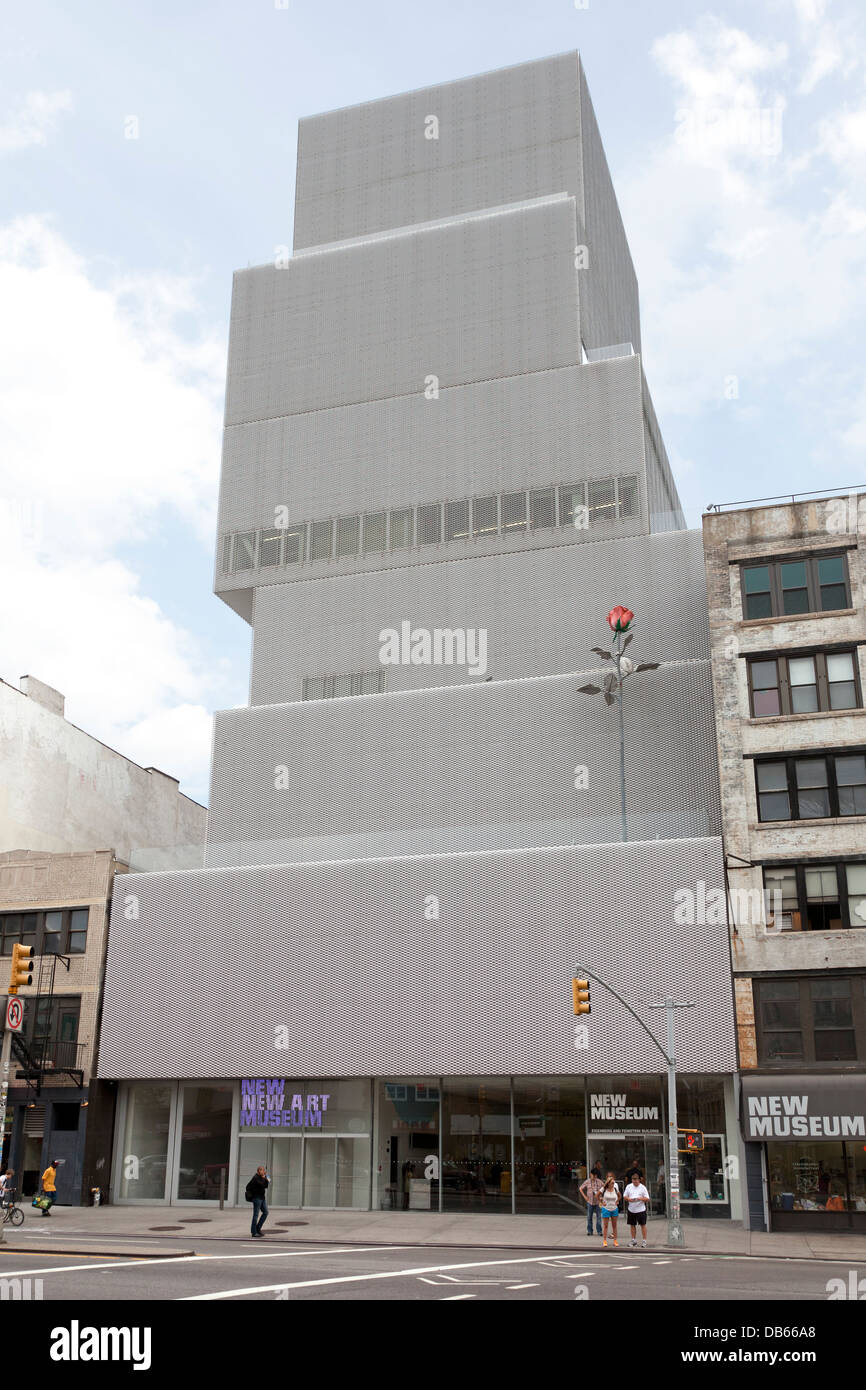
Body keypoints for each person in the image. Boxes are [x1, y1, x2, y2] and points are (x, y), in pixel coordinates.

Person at [624, 1167, 651, 1248]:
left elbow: (647, 1198)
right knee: (632, 1225)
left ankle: (644, 1241)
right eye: (633, 1179)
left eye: (636, 1179)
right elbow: (625, 1196)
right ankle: (633, 1240)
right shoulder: (629, 1186)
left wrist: (640, 1198)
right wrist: (629, 1199)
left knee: (643, 1225)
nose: (634, 1181)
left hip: (640, 1209)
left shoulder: (643, 1187)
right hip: (631, 1209)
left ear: (639, 1179)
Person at [579, 1167, 604, 1236]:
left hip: (598, 1202)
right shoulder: (587, 1181)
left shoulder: (599, 1181)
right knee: (589, 1217)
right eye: (593, 1175)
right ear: (590, 1174)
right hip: (590, 1202)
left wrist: (601, 1197)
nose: (594, 1176)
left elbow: (604, 1187)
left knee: (599, 1217)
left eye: (596, 1175)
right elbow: (580, 1188)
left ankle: (599, 1231)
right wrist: (585, 1197)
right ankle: (590, 1231)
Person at [246, 1165, 269, 1237]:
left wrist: (266, 1179)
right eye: (262, 1170)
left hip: (262, 1198)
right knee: (255, 1215)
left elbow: (265, 1186)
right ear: (258, 1171)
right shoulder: (255, 1178)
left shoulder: (262, 1177)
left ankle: (258, 1229)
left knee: (265, 1212)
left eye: (264, 1170)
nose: (264, 1171)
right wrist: (264, 1178)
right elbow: (261, 1184)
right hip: (257, 1198)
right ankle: (254, 1232)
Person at [600, 1172, 620, 1248]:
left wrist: (618, 1201)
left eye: (613, 1183)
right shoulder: (604, 1189)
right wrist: (601, 1202)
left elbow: (619, 1195)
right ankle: (604, 1240)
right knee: (605, 1225)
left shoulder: (615, 1188)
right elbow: (597, 1195)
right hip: (606, 1208)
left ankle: (615, 1240)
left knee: (614, 1226)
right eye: (612, 1183)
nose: (613, 1184)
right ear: (608, 1183)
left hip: (614, 1208)